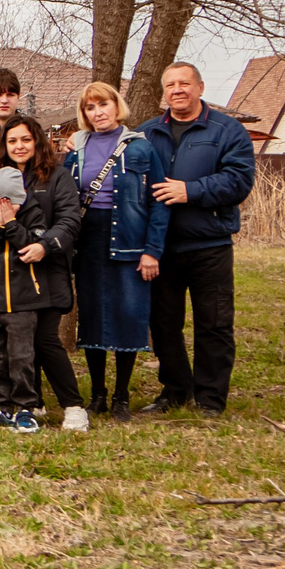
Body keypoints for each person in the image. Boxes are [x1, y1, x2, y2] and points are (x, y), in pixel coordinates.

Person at [140, 61, 257, 414]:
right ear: (163, 92)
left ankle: (210, 398)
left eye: (184, 83)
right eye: (170, 85)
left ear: (200, 88)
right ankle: (175, 390)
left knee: (214, 323)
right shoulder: (146, 133)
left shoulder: (227, 130)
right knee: (163, 324)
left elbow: (239, 181)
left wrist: (189, 191)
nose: (177, 90)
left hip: (210, 244)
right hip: (161, 247)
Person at [0, 115, 85, 432]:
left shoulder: (56, 177)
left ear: (37, 142)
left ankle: (73, 406)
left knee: (44, 340)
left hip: (45, 271)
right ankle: (29, 405)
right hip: (5, 280)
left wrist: (45, 245)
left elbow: (69, 221)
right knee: (14, 346)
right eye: (12, 141)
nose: (19, 146)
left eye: (26, 139)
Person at [68, 81, 169, 422]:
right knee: (92, 315)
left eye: (103, 105)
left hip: (130, 240)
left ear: (116, 106)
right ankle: (97, 394)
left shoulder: (141, 148)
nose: (98, 113)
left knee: (128, 315)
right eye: (90, 108)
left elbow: (159, 201)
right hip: (88, 241)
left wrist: (152, 250)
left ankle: (121, 396)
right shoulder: (76, 149)